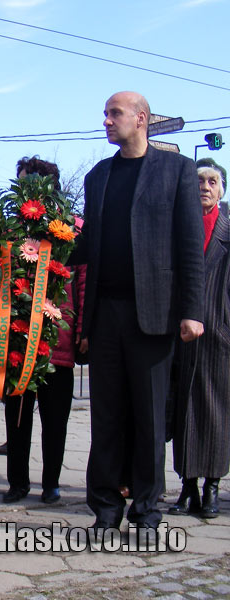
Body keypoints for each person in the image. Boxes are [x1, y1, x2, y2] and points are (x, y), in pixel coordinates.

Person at [71, 91, 204, 533]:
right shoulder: (98, 175)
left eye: (115, 113)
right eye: (105, 114)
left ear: (141, 118)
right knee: (106, 417)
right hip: (105, 315)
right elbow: (88, 244)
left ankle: (146, 510)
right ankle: (105, 510)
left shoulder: (177, 170)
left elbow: (190, 245)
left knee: (149, 419)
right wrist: (44, 243)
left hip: (155, 315)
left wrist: (192, 311)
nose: (107, 121)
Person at [1, 158, 86, 505]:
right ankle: (17, 481)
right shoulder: (10, 231)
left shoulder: (72, 230)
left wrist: (81, 330)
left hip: (57, 342)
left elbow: (83, 282)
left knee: (56, 418)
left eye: (32, 184)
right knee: (17, 417)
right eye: (21, 184)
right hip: (17, 340)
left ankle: (51, 481)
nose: (26, 192)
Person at [169, 158, 229, 519]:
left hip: (219, 335)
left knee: (216, 413)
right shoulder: (178, 226)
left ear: (221, 190)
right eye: (198, 182)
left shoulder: (227, 230)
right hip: (182, 335)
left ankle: (212, 486)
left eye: (212, 181)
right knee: (183, 410)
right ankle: (187, 485)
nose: (204, 187)